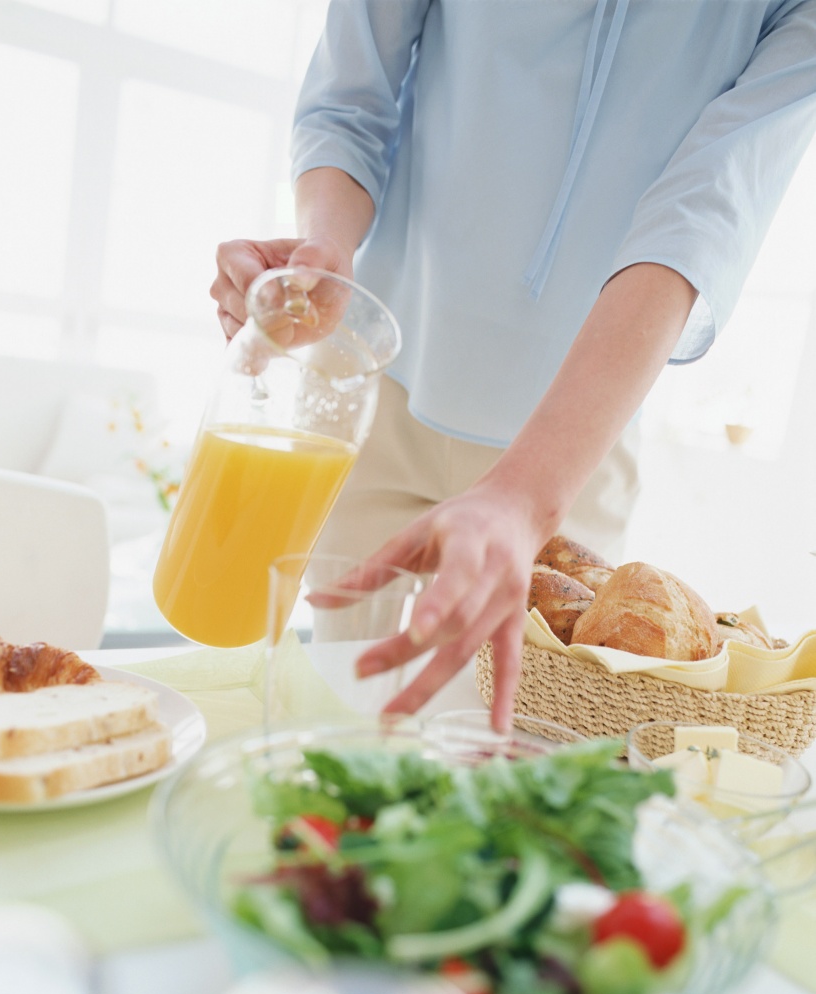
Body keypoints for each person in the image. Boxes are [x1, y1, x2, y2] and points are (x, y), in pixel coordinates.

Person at [211, 0, 816, 730]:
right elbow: (351, 98)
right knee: (332, 720)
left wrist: (529, 498)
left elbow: (703, 213)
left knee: (514, 753)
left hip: (571, 452)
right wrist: (326, 252)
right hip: (381, 404)